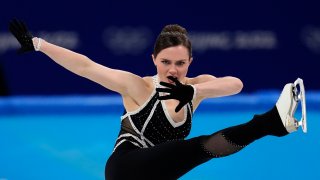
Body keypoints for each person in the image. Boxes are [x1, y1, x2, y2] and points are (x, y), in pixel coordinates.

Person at [9, 19, 307, 180]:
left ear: (191, 61)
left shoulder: (196, 86)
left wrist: (194, 91)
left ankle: (274, 123)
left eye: (180, 63)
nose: (173, 70)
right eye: (165, 62)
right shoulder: (137, 87)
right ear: (154, 59)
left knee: (197, 150)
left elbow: (236, 85)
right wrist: (39, 44)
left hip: (161, 174)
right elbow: (86, 66)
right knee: (199, 148)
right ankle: (272, 123)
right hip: (125, 170)